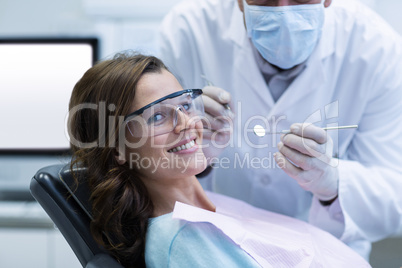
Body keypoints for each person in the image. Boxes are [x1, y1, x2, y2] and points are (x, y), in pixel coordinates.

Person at [67, 52, 370, 267]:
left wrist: (328, 192)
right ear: (118, 148)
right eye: (157, 115)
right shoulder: (184, 240)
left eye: (185, 104)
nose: (186, 123)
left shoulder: (209, 205)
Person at [157, 0, 402, 260]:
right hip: (213, 248)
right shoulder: (188, 30)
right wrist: (193, 153)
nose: (283, 11)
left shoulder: (377, 48)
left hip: (323, 255)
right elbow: (144, 169)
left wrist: (332, 183)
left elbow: (394, 195)